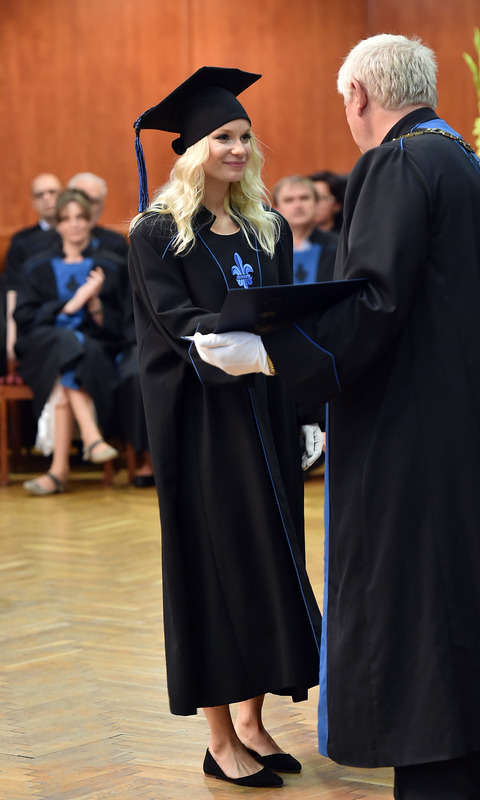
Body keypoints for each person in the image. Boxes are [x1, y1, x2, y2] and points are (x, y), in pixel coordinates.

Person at [192, 35, 480, 799]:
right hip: (462, 437)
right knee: (450, 636)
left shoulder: (396, 162)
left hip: (408, 446)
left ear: (357, 96)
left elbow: (374, 301)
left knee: (416, 630)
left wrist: (272, 353)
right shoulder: (464, 163)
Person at [128, 67, 322, 789]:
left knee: (266, 562)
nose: (238, 148)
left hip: (263, 417)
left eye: (244, 136)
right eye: (222, 137)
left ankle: (252, 720)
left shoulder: (266, 230)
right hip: (202, 423)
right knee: (212, 569)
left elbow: (281, 312)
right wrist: (241, 330)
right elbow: (173, 324)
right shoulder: (157, 234)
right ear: (190, 150)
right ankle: (218, 738)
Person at [14, 189, 123, 494]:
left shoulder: (110, 266)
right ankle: (91, 435)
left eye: (80, 217)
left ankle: (59, 470)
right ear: (58, 224)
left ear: (90, 220)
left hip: (93, 346)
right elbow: (24, 317)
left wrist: (94, 303)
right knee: (66, 341)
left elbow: (120, 326)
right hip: (41, 345)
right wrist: (70, 305)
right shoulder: (36, 266)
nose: (74, 225)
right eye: (66, 219)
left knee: (70, 359)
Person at [67, 172, 154, 486]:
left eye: (92, 202)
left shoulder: (116, 247)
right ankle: (125, 449)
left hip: (126, 332)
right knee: (97, 363)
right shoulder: (45, 252)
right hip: (96, 338)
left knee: (141, 373)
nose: (83, 211)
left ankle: (151, 459)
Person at [5, 173, 63, 371]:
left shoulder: (78, 236)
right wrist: (11, 339)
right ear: (33, 202)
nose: (47, 198)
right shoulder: (21, 241)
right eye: (40, 195)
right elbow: (13, 289)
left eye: (52, 192)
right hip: (34, 320)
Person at [273, 175, 337, 284]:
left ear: (316, 204)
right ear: (276, 209)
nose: (298, 205)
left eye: (304, 198)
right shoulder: (265, 250)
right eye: (289, 200)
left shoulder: (338, 246)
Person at [67, 172, 129, 259]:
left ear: (101, 206)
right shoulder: (48, 241)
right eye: (82, 199)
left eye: (94, 201)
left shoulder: (116, 243)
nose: (87, 206)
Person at [309, 170, 345, 234]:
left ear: (337, 205)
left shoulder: (347, 237)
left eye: (322, 197)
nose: (314, 202)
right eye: (309, 197)